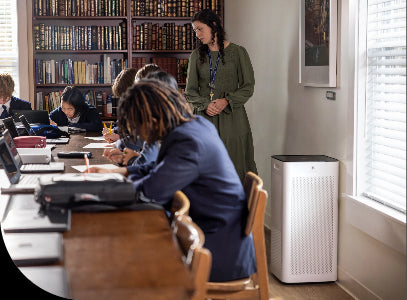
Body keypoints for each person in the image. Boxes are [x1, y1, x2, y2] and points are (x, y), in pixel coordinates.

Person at [87, 79, 256, 282]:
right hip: (211, 233)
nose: (138, 135)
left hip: (217, 250)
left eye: (137, 126)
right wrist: (118, 174)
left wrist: (100, 189)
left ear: (152, 120)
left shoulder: (188, 142)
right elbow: (160, 169)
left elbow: (151, 191)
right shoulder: (193, 125)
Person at [184, 9, 257, 182]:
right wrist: (205, 104)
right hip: (204, 117)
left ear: (214, 25)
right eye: (195, 30)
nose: (197, 34)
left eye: (200, 29)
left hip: (233, 119)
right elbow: (190, 90)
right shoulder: (196, 56)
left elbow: (248, 86)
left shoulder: (238, 52)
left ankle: (240, 206)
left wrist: (226, 101)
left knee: (236, 165)